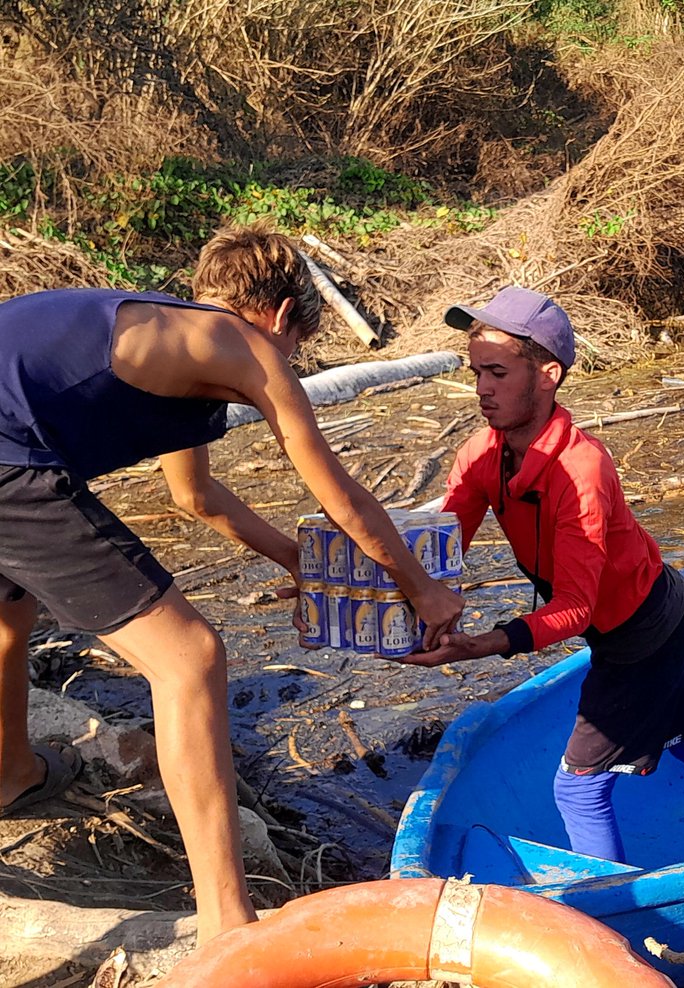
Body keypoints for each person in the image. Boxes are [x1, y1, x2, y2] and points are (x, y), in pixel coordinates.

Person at [0, 222, 463, 942]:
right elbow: (343, 498)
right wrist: (423, 589)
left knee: (9, 615)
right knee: (189, 658)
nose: (288, 360)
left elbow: (198, 498)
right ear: (282, 316)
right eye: (296, 346)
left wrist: (304, 566)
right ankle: (226, 922)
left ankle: (11, 773)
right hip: (8, 464)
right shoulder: (246, 345)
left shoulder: (176, 337)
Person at [406, 286, 684, 862]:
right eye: (476, 372)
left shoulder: (580, 471)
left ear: (548, 375)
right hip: (654, 612)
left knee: (578, 789)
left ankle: (610, 906)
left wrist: (484, 644)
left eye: (498, 373)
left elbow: (577, 608)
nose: (481, 389)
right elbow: (440, 551)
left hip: (644, 634)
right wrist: (361, 595)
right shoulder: (482, 453)